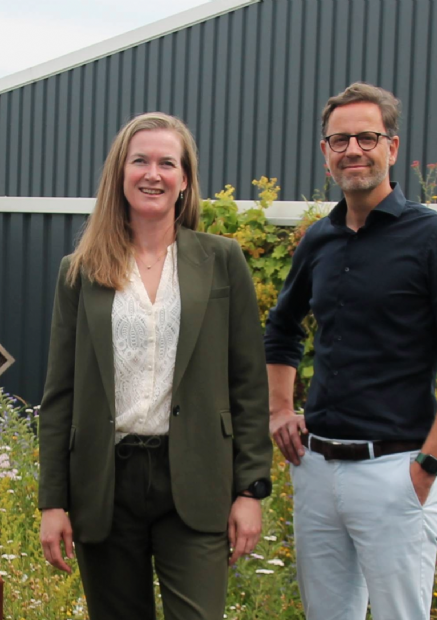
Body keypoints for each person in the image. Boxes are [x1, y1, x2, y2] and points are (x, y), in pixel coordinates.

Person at [264, 82, 437, 620]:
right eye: (339, 140)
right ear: (325, 152)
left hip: (396, 471)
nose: (353, 150)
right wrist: (279, 410)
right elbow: (281, 328)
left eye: (367, 137)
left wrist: (427, 467)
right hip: (316, 470)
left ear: (392, 146)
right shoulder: (319, 239)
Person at [38, 112, 273, 620]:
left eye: (167, 163)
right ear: (119, 174)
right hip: (105, 483)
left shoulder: (221, 260)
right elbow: (60, 393)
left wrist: (250, 489)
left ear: (184, 179)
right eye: (139, 161)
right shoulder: (80, 271)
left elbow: (249, 386)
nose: (153, 174)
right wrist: (52, 502)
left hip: (196, 478)